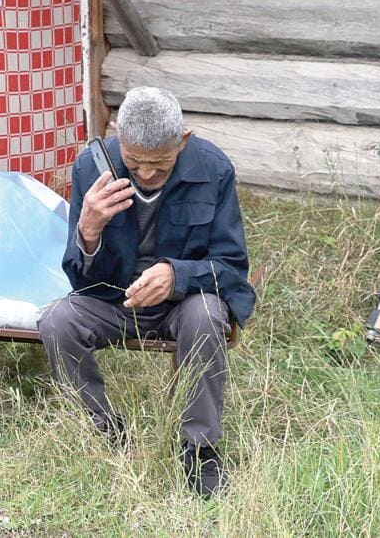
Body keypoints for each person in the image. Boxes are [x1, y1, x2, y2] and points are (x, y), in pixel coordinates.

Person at [38, 86, 255, 498]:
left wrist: (177, 275)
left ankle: (199, 450)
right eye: (135, 162)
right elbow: (80, 281)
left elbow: (232, 270)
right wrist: (88, 230)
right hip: (114, 300)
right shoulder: (92, 167)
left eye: (160, 164)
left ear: (183, 141)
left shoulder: (213, 169)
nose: (147, 174)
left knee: (208, 314)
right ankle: (105, 431)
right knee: (57, 318)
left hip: (183, 304)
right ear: (119, 137)